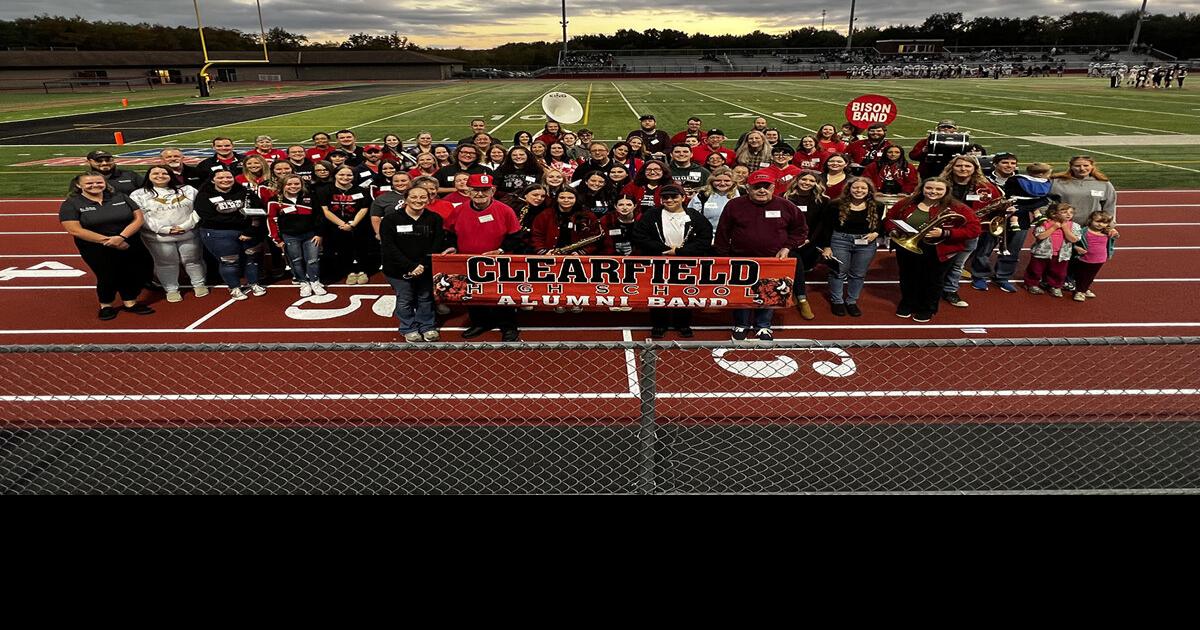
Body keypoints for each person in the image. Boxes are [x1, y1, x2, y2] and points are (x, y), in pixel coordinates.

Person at [713, 170, 808, 342]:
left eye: (766, 186)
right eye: (757, 187)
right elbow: (723, 232)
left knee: (769, 293)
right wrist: (724, 257)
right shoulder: (734, 205)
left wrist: (787, 247)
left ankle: (763, 326)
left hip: (773, 260)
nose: (762, 190)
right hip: (741, 259)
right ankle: (741, 324)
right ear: (748, 188)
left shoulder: (786, 206)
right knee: (742, 293)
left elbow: (800, 230)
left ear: (773, 187)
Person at [884, 177, 980, 322]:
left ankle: (927, 308)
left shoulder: (958, 207)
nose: (933, 191)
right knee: (908, 277)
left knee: (933, 280)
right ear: (922, 188)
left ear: (947, 191)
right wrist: (892, 230)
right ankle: (908, 303)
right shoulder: (907, 203)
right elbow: (890, 218)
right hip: (908, 246)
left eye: (939, 189)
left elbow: (974, 229)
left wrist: (945, 233)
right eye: (929, 188)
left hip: (939, 249)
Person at [60, 172, 154, 320]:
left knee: (134, 271)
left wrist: (122, 237)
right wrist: (109, 241)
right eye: (89, 183)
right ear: (79, 185)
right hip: (96, 247)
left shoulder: (120, 197)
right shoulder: (71, 203)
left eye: (99, 182)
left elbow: (138, 218)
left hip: (129, 241)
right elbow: (74, 229)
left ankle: (130, 301)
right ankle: (106, 305)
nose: (95, 185)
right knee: (107, 275)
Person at [442, 173, 522, 341]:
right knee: (473, 294)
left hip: (499, 262)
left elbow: (516, 237)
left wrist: (500, 250)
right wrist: (452, 247)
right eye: (476, 190)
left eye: (484, 190)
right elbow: (448, 233)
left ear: (492, 191)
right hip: (469, 262)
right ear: (469, 191)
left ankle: (508, 326)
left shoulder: (505, 210)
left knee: (503, 295)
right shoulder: (459, 210)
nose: (480, 194)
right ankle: (480, 323)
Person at [630, 183, 715, 338]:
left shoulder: (695, 216)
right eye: (665, 197)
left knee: (684, 293)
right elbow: (639, 236)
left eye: (674, 197)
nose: (669, 200)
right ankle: (659, 325)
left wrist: (680, 252)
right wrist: (662, 250)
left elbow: (705, 238)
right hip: (658, 262)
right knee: (657, 294)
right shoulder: (651, 215)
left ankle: (682, 324)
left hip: (686, 263)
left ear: (683, 197)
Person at [380, 185, 450, 342]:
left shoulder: (435, 219)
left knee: (425, 298)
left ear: (429, 199)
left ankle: (427, 326)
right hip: (398, 269)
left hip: (425, 268)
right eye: (414, 197)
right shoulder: (391, 219)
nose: (418, 200)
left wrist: (422, 266)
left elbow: (436, 245)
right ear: (405, 199)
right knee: (405, 299)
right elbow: (389, 247)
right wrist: (410, 266)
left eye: (423, 197)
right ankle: (408, 327)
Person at [972, 161, 1053, 293]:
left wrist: (1025, 207)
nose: (1009, 166)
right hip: (994, 218)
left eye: (1013, 163)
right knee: (985, 248)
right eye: (1005, 162)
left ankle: (1003, 277)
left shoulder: (1027, 181)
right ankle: (980, 275)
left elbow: (1039, 200)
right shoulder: (986, 179)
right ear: (995, 164)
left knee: (1012, 250)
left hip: (1020, 219)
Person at [129, 166, 207, 303]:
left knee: (193, 260)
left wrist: (186, 226)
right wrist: (164, 229)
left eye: (164, 173)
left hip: (188, 232)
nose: (160, 175)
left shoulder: (188, 190)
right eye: (156, 173)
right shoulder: (138, 194)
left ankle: (199, 284)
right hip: (157, 237)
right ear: (148, 175)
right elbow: (141, 216)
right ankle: (171, 289)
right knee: (166, 263)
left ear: (171, 175)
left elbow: (199, 209)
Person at [813, 178, 884, 317]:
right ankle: (837, 301)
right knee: (838, 272)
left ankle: (851, 301)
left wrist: (876, 233)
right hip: (840, 240)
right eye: (855, 188)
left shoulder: (878, 205)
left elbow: (880, 223)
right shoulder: (835, 205)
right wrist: (827, 246)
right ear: (849, 189)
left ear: (869, 191)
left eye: (863, 188)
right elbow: (826, 227)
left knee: (858, 274)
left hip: (865, 243)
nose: (859, 191)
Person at [938, 154, 1002, 308]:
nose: (963, 169)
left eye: (968, 166)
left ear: (975, 169)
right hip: (941, 230)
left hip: (969, 233)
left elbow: (997, 205)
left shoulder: (986, 187)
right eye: (959, 165)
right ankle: (932, 289)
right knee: (937, 262)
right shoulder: (940, 184)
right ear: (952, 167)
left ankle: (950, 290)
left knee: (957, 264)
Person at [194, 169, 267, 300]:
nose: (225, 180)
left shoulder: (245, 192)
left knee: (252, 258)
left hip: (248, 231)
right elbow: (209, 216)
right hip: (219, 233)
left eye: (228, 177)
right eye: (220, 178)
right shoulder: (204, 195)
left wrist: (250, 230)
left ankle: (254, 283)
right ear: (212, 180)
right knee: (229, 261)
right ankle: (234, 287)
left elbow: (258, 210)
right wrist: (241, 220)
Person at [266, 175, 325, 297]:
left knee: (313, 259)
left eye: (297, 184)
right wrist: (277, 239)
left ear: (302, 185)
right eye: (289, 184)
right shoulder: (274, 200)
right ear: (283, 186)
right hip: (289, 237)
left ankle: (315, 281)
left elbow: (319, 216)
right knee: (296, 261)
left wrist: (319, 233)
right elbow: (271, 221)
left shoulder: (310, 197)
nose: (293, 187)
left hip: (310, 235)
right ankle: (303, 282)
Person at [318, 165, 377, 285]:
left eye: (349, 175)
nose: (345, 177)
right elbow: (325, 210)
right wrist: (342, 224)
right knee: (343, 250)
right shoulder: (325, 190)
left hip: (357, 225)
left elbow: (364, 208)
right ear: (335, 175)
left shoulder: (361, 190)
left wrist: (353, 224)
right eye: (341, 174)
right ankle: (349, 271)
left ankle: (362, 271)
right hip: (336, 226)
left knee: (361, 249)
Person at [1024, 203, 1081, 297]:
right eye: (1064, 212)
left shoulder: (1073, 226)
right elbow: (1040, 236)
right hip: (1041, 253)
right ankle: (1031, 284)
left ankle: (1055, 286)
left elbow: (1074, 239)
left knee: (1058, 272)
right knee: (1035, 269)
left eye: (1071, 212)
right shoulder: (1044, 223)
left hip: (1061, 255)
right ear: (1054, 213)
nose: (1068, 214)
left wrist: (1065, 228)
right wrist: (1053, 228)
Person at [1050, 156, 1118, 232]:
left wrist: (1110, 226)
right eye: (1077, 166)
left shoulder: (1104, 184)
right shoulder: (1057, 182)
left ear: (1092, 166)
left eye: (1086, 165)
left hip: (1092, 229)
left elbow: (1109, 207)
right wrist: (1047, 221)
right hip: (1063, 228)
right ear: (1071, 167)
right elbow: (1045, 203)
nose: (1082, 168)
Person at [1070, 210, 1118, 302]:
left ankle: (1084, 289)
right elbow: (1073, 241)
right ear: (1090, 220)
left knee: (1091, 276)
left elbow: (1115, 237)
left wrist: (1115, 233)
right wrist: (1076, 248)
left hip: (1099, 259)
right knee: (1082, 275)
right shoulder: (1084, 231)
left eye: (1104, 223)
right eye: (1097, 221)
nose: (1100, 225)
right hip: (1084, 258)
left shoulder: (1107, 232)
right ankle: (1080, 291)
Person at [688, 166, 742, 233]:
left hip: (731, 235)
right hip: (706, 235)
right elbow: (691, 216)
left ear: (733, 182)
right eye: (718, 180)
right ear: (711, 181)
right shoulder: (703, 195)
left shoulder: (740, 195)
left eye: (727, 181)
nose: (722, 183)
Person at [370, 171, 414, 238]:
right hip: (391, 234)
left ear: (411, 181)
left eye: (403, 180)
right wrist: (379, 233)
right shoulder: (382, 198)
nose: (400, 183)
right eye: (396, 181)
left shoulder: (419, 195)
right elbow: (375, 217)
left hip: (417, 233)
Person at [600, 193, 641, 259]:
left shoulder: (642, 219)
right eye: (621, 205)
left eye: (629, 205)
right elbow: (604, 243)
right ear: (615, 206)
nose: (625, 208)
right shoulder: (607, 219)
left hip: (637, 257)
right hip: (611, 257)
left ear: (635, 206)